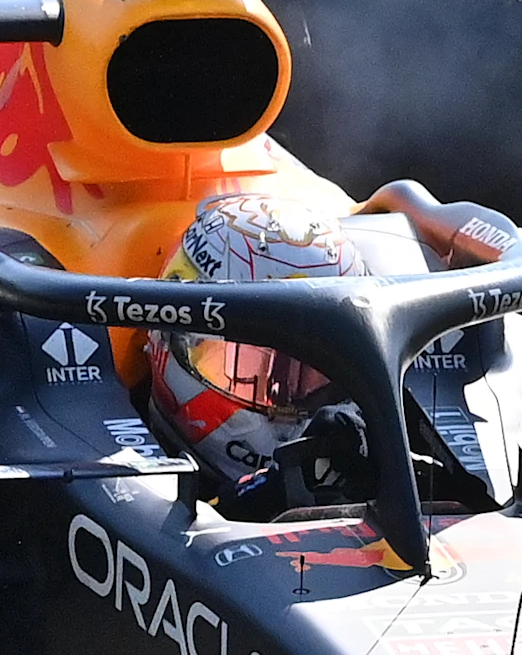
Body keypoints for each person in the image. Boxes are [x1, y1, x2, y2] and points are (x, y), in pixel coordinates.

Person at [141, 190, 433, 517]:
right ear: (179, 344)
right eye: (258, 372)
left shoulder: (347, 427)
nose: (304, 403)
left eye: (323, 374)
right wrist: (263, 496)